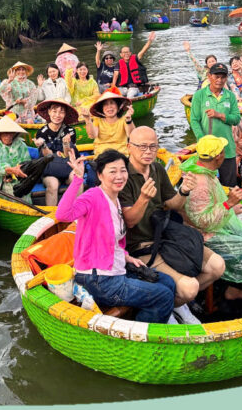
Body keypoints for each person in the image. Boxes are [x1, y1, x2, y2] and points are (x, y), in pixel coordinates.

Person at [119, 127, 226, 324]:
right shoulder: (122, 176)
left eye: (153, 146)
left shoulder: (158, 169)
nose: (148, 151)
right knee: (190, 287)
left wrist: (184, 191)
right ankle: (168, 307)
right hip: (140, 246)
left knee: (217, 266)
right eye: (142, 147)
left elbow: (174, 204)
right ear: (129, 148)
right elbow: (130, 221)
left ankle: (174, 303)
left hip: (166, 235)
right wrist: (143, 198)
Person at [56, 148, 175, 324]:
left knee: (168, 283)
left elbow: (114, 240)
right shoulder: (93, 196)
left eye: (123, 170)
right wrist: (78, 180)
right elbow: (62, 215)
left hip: (116, 268)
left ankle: (159, 317)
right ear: (100, 175)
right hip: (99, 279)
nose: (119, 176)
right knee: (163, 296)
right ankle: (140, 336)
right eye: (112, 171)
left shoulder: (116, 199)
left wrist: (127, 257)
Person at [180, 136, 242, 290]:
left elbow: (210, 205)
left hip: (215, 225)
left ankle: (240, 287)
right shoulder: (200, 182)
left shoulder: (203, 169)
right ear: (218, 157)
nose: (225, 154)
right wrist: (228, 203)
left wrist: (231, 208)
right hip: (205, 236)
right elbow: (202, 222)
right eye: (223, 151)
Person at [188, 63, 240, 187]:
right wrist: (202, 139)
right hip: (207, 151)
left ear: (226, 78)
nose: (219, 80)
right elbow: (194, 120)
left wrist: (220, 115)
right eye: (216, 76)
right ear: (209, 76)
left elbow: (237, 119)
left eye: (223, 77)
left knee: (229, 185)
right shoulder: (199, 95)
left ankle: (228, 206)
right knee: (206, 185)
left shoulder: (230, 96)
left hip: (227, 150)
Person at [34, 99, 80, 206]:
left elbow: (69, 155)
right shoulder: (42, 132)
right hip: (50, 168)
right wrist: (43, 145)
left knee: (77, 179)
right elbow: (47, 155)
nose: (57, 115)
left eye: (61, 112)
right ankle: (52, 216)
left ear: (65, 114)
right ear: (49, 112)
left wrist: (66, 144)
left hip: (67, 166)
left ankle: (78, 214)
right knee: (53, 185)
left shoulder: (70, 131)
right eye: (54, 111)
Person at [0, 117, 32, 201]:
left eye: (11, 133)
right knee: (13, 193)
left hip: (17, 181)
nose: (8, 136)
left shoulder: (21, 145)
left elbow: (27, 163)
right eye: (5, 133)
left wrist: (14, 174)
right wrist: (8, 170)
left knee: (25, 194)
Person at [82, 90, 134, 156]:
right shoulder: (98, 120)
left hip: (120, 156)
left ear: (118, 107)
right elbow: (92, 136)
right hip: (102, 156)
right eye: (106, 104)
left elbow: (131, 135)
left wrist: (129, 119)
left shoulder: (124, 119)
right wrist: (87, 120)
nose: (109, 107)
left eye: (112, 103)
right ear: (102, 109)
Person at [112, 31, 156, 98]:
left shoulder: (135, 59)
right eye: (124, 52)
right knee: (114, 94)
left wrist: (149, 41)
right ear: (121, 55)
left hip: (134, 88)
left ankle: (129, 106)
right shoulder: (118, 64)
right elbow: (115, 74)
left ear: (130, 53)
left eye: (127, 52)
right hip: (123, 88)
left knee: (130, 95)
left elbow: (143, 50)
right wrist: (113, 86)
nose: (126, 54)